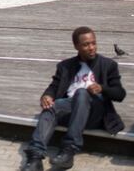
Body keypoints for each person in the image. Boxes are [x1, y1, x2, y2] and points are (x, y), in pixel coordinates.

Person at [22, 27, 126, 171]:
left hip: (94, 113)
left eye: (93, 43)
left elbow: (120, 94)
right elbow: (54, 86)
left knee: (82, 93)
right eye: (86, 44)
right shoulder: (65, 66)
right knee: (51, 106)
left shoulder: (108, 65)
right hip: (71, 111)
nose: (91, 48)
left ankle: (69, 150)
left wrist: (102, 88)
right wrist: (47, 96)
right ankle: (35, 157)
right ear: (76, 46)